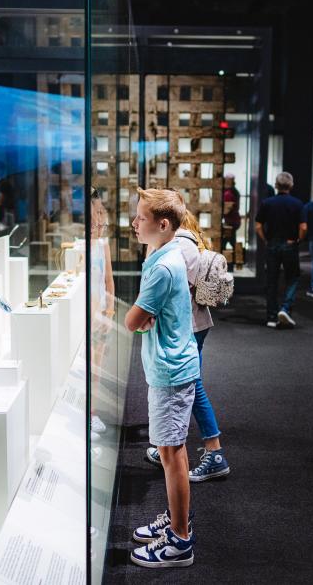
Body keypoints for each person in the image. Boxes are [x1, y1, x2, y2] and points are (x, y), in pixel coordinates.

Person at [126, 188, 200, 568]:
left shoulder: (162, 266)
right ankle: (177, 522)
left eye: (141, 217)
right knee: (174, 452)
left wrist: (139, 322)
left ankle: (180, 540)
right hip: (171, 367)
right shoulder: (164, 254)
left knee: (172, 454)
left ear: (163, 224)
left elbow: (132, 320)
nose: (135, 223)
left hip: (170, 371)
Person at [146, 211, 232, 482]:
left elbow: (166, 286)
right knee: (190, 387)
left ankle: (214, 452)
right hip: (194, 325)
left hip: (189, 327)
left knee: (191, 386)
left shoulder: (181, 246)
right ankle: (169, 448)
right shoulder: (190, 241)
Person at [255, 172, 304, 328]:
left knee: (272, 280)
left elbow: (258, 225)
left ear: (276, 185)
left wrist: (266, 240)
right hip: (290, 244)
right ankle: (285, 308)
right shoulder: (297, 204)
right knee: (293, 278)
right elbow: (303, 227)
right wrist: (298, 239)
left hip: (273, 244)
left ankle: (271, 317)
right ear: (291, 185)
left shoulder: (267, 203)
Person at [89, 190, 116, 439]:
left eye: (99, 213)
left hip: (99, 317)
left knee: (97, 366)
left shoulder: (103, 245)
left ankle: (92, 412)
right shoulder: (78, 247)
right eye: (92, 215)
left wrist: (109, 312)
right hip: (84, 316)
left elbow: (109, 280)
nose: (97, 221)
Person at [222, 173, 241, 252]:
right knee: (229, 240)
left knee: (224, 242)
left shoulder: (228, 194)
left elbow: (226, 210)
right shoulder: (234, 191)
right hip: (234, 220)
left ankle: (235, 258)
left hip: (231, 221)